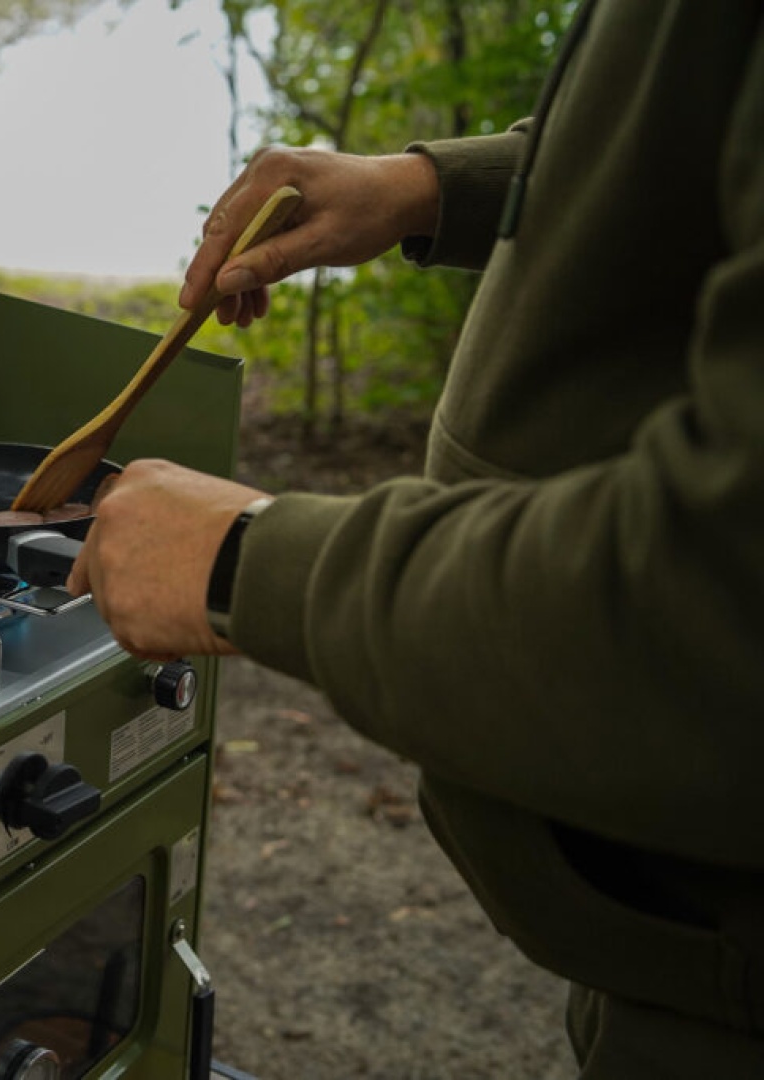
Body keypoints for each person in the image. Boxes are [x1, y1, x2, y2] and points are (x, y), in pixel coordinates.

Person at [64, 0, 764, 1074]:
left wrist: (251, 559)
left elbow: (723, 598)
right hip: (665, 921)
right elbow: (689, 135)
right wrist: (431, 188)